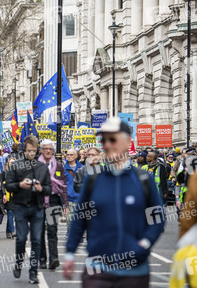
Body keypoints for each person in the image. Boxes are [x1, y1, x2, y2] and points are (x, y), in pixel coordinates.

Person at [63, 117, 165, 286]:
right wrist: (69, 253)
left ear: (128, 142)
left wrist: (145, 243)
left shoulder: (142, 179)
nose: (107, 145)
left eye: (113, 139)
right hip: (98, 270)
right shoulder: (94, 179)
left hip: (134, 272)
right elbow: (80, 218)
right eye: (104, 140)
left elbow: (158, 217)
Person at [5, 135, 52, 284]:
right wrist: (20, 185)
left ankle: (33, 272)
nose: (32, 153)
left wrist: (40, 188)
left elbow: (49, 189)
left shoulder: (42, 167)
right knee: (21, 238)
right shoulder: (16, 165)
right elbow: (8, 185)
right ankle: (19, 263)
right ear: (24, 149)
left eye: (34, 151)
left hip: (37, 207)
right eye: (29, 151)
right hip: (20, 207)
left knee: (37, 240)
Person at [38, 139, 67, 270]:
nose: (48, 151)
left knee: (52, 230)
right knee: (39, 232)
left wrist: (65, 203)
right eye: (45, 148)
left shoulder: (59, 165)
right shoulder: (35, 165)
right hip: (38, 200)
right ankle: (42, 259)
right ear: (41, 151)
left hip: (54, 200)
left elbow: (63, 184)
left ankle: (53, 258)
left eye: (50, 149)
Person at [64, 149, 83, 235]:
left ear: (76, 156)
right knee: (69, 220)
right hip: (69, 198)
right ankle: (70, 235)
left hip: (80, 198)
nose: (69, 156)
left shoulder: (82, 168)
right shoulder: (62, 168)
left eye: (71, 154)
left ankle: (77, 234)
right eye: (67, 154)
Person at [1, 156, 16, 239]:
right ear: (8, 164)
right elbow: (2, 185)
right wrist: (3, 194)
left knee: (13, 214)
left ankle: (8, 232)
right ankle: (12, 231)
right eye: (11, 162)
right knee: (10, 213)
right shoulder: (5, 173)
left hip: (16, 196)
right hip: (8, 196)